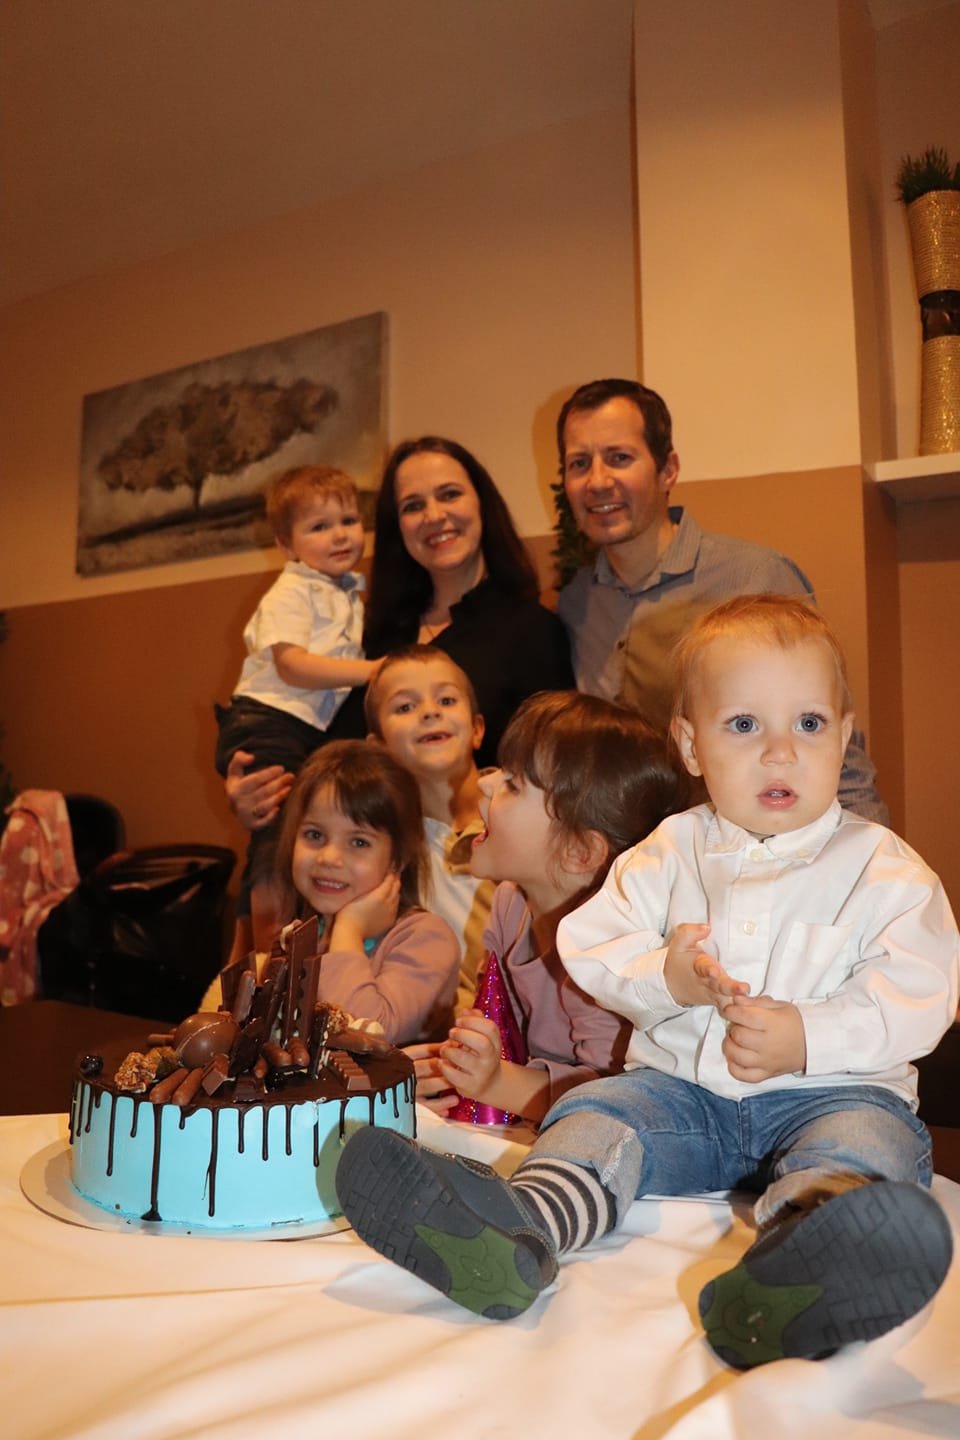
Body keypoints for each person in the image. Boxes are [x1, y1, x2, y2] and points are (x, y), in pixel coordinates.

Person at [334, 595, 959, 1369]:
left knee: (866, 1145)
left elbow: (922, 991)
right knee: (600, 1112)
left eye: (808, 723)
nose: (779, 752)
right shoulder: (669, 851)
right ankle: (517, 1233)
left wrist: (810, 1036)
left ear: (844, 734)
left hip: (834, 1094)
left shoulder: (884, 868)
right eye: (744, 724)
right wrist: (665, 977)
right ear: (691, 745)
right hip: (682, 1097)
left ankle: (797, 1272)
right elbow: (594, 942)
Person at [226, 433, 574, 862]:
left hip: (474, 870)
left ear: (482, 503)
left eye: (449, 494)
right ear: (397, 526)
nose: (434, 515)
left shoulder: (533, 630)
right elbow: (311, 746)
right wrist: (260, 796)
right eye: (412, 506)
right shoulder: (365, 634)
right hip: (358, 869)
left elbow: (555, 781)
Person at [554, 377, 888, 821]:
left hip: (748, 846)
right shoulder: (576, 602)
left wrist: (867, 853)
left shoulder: (754, 578)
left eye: (619, 458)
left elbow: (831, 748)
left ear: (668, 470)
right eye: (579, 463)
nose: (597, 481)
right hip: (637, 855)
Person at [411, 690, 688, 1125]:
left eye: (512, 785)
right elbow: (498, 1030)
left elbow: (614, 1099)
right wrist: (450, 1066)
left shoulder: (610, 950)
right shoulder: (511, 903)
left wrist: (495, 1083)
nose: (484, 783)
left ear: (579, 851)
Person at [214, 465, 380, 950]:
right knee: (279, 832)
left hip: (298, 726)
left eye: (348, 520)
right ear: (287, 545)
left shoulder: (344, 591)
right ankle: (268, 943)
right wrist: (374, 671)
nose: (339, 534)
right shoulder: (293, 590)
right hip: (265, 721)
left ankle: (267, 943)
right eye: (319, 526)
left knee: (291, 826)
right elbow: (293, 666)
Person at [273, 740, 459, 1045]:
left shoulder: (425, 938)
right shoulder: (301, 935)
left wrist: (349, 930)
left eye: (359, 842)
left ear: (398, 858)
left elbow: (366, 1034)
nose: (329, 857)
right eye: (314, 835)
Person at [363, 644, 495, 1011]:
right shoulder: (377, 848)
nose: (430, 712)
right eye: (405, 707)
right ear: (378, 748)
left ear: (477, 729)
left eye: (447, 700)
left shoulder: (525, 814)